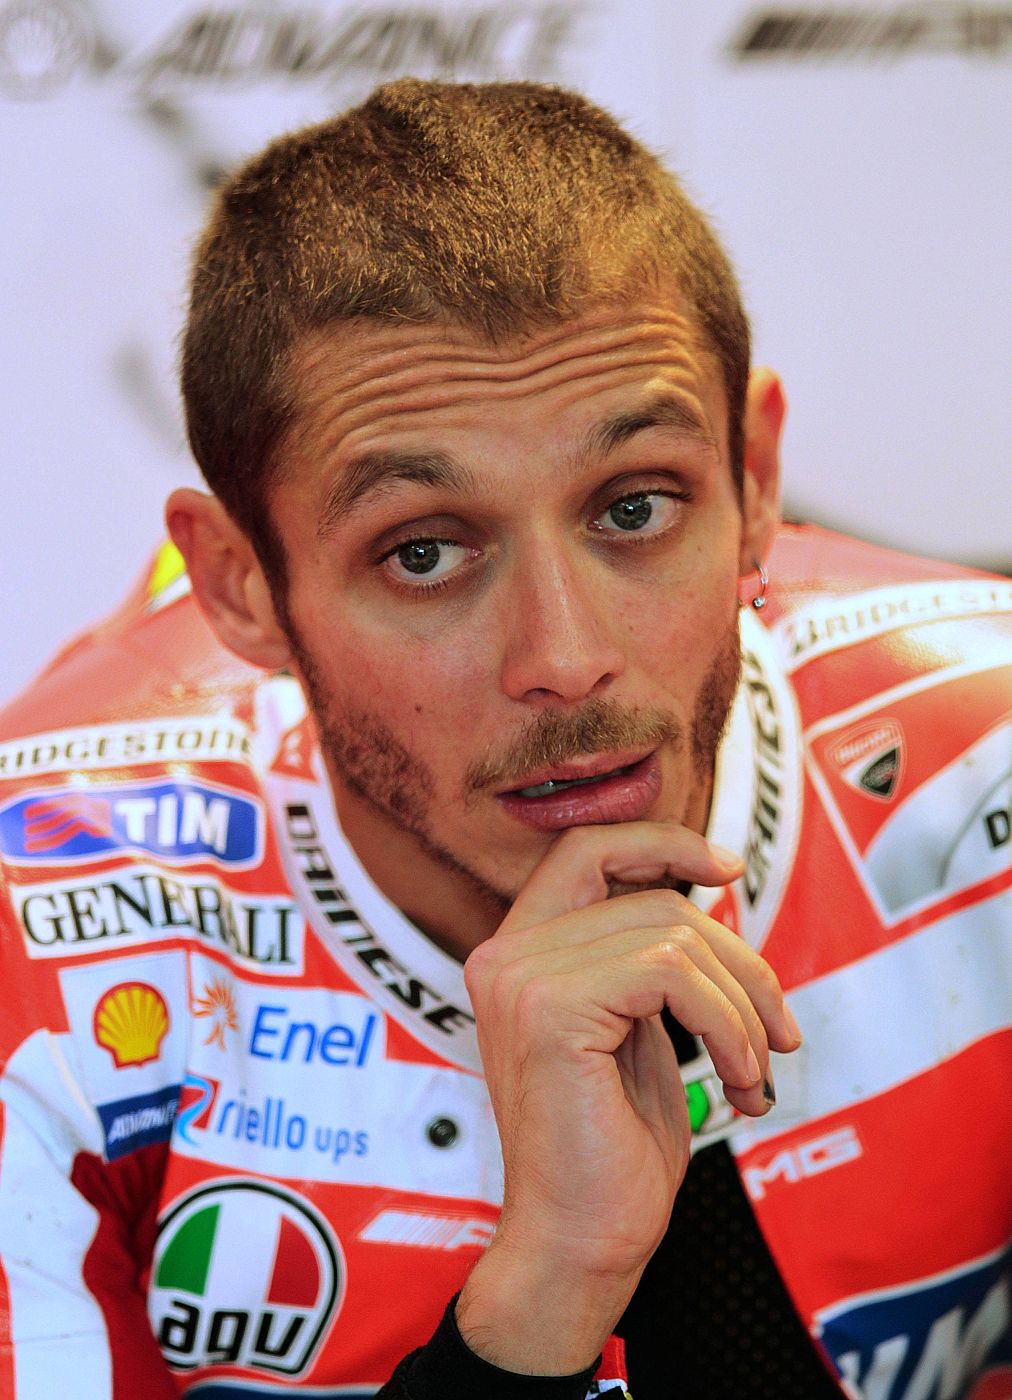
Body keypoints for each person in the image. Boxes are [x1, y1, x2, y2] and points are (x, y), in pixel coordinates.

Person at [0, 78, 1008, 1400]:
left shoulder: (984, 769)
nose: (565, 655)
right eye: (424, 552)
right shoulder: (44, 941)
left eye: (637, 507)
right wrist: (538, 1303)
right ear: (241, 583)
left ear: (756, 482)